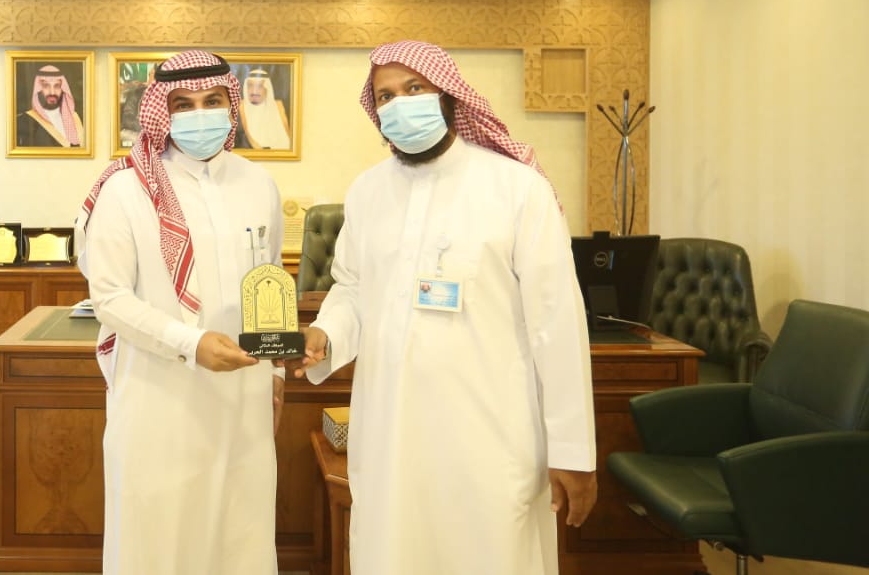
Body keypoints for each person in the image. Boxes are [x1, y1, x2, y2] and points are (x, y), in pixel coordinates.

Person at [285, 40, 597, 574]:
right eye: (386, 96)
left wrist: (573, 452)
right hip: (390, 432)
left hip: (489, 434)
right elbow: (353, 288)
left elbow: (557, 325)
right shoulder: (367, 191)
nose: (400, 104)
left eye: (414, 88)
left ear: (449, 95)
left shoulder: (517, 189)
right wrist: (326, 333)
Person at [76, 49, 285, 575]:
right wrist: (190, 343)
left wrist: (277, 372)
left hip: (245, 395)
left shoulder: (258, 184)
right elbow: (110, 298)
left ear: (231, 104)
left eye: (212, 100)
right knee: (160, 535)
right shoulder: (125, 189)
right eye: (183, 104)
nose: (200, 114)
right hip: (160, 395)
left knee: (240, 532)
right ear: (160, 111)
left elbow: (271, 278)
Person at [18, 63, 84, 147]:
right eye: (46, 86)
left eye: (57, 86)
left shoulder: (78, 118)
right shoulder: (24, 122)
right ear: (38, 89)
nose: (52, 92)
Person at [237, 67, 291, 150]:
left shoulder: (280, 108)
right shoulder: (238, 110)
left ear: (267, 88)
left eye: (260, 86)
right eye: (250, 85)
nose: (254, 91)